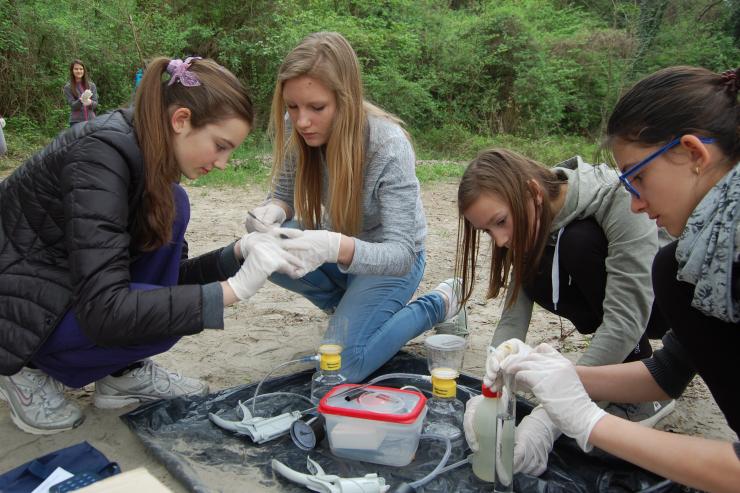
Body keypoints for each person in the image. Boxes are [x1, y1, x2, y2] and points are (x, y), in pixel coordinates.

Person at [0, 56, 301, 435]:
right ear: (181, 120)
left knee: (174, 208)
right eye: (220, 146)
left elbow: (169, 282)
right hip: (15, 307)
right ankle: (21, 368)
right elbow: (106, 310)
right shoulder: (98, 156)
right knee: (172, 317)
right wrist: (235, 290)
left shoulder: (148, 162)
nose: (224, 163)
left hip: (63, 286)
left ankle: (121, 374)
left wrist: (239, 253)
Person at [489, 66, 740, 492]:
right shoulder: (703, 258)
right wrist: (556, 376)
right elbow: (667, 370)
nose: (636, 203)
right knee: (668, 269)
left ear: (695, 154)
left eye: (638, 177)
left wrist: (584, 422)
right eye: (626, 183)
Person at [244, 32, 464, 383]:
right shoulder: (295, 128)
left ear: (346, 100)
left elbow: (401, 253)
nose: (302, 121)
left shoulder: (387, 145)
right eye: (293, 106)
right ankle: (352, 310)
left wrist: (333, 245)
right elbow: (283, 194)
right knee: (256, 252)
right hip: (342, 252)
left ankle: (439, 303)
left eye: (317, 108)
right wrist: (271, 212)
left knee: (340, 370)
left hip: (389, 263)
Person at [63, 59, 98, 126]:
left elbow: (95, 104)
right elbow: (73, 106)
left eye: (81, 69)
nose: (79, 71)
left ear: (84, 70)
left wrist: (90, 102)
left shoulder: (91, 85)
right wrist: (81, 100)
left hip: (91, 121)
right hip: (76, 122)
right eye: (76, 69)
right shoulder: (68, 87)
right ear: (72, 71)